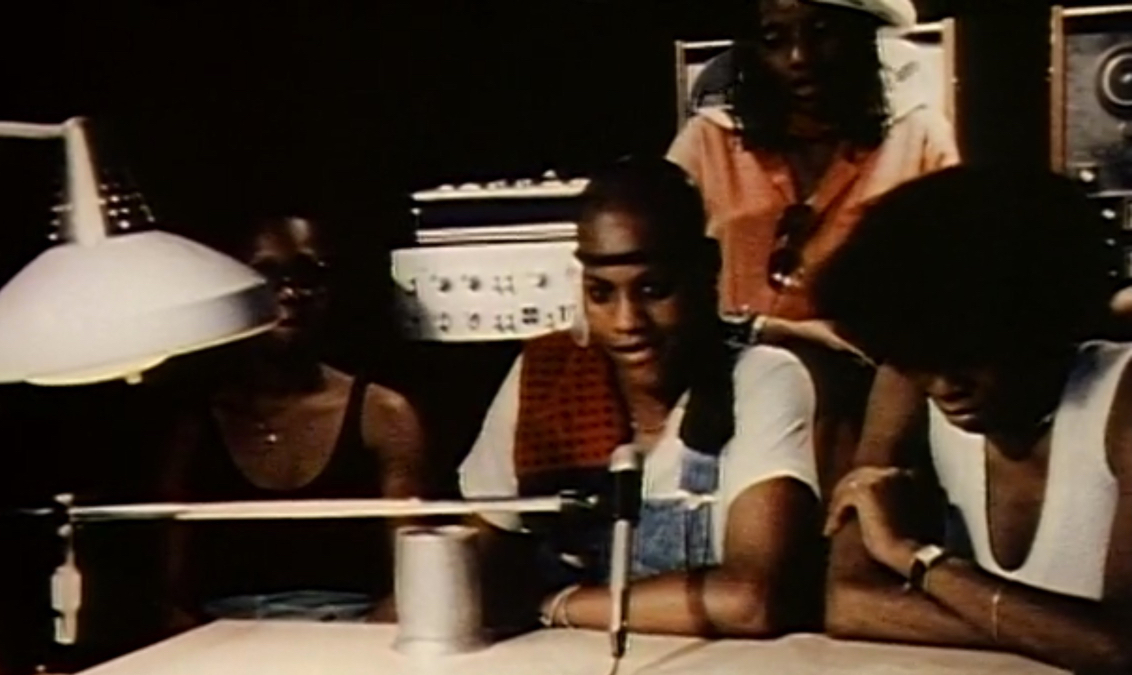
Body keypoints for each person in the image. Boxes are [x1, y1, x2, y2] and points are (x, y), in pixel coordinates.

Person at [459, 157, 822, 637]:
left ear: (708, 269)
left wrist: (552, 604)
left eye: (653, 289)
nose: (627, 321)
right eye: (601, 293)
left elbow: (751, 600)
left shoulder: (761, 378)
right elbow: (470, 574)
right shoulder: (542, 377)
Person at [817, 166, 1132, 673]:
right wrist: (1051, 633)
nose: (945, 385)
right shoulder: (907, 381)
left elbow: (1120, 648)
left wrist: (915, 558)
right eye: (923, 358)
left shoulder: (1121, 397)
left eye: (972, 352)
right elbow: (849, 604)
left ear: (1041, 324)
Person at [667, 0, 960, 497]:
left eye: (821, 32)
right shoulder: (706, 143)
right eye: (775, 39)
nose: (800, 57)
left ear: (865, 38)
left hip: (878, 418)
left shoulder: (919, 136)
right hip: (732, 415)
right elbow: (652, 284)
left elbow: (956, 295)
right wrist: (766, 332)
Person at [156, 215, 426, 629]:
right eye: (266, 275)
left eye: (306, 275)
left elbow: (416, 582)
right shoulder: (194, 422)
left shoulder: (383, 414)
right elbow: (170, 593)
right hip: (223, 642)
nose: (289, 293)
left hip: (351, 638)